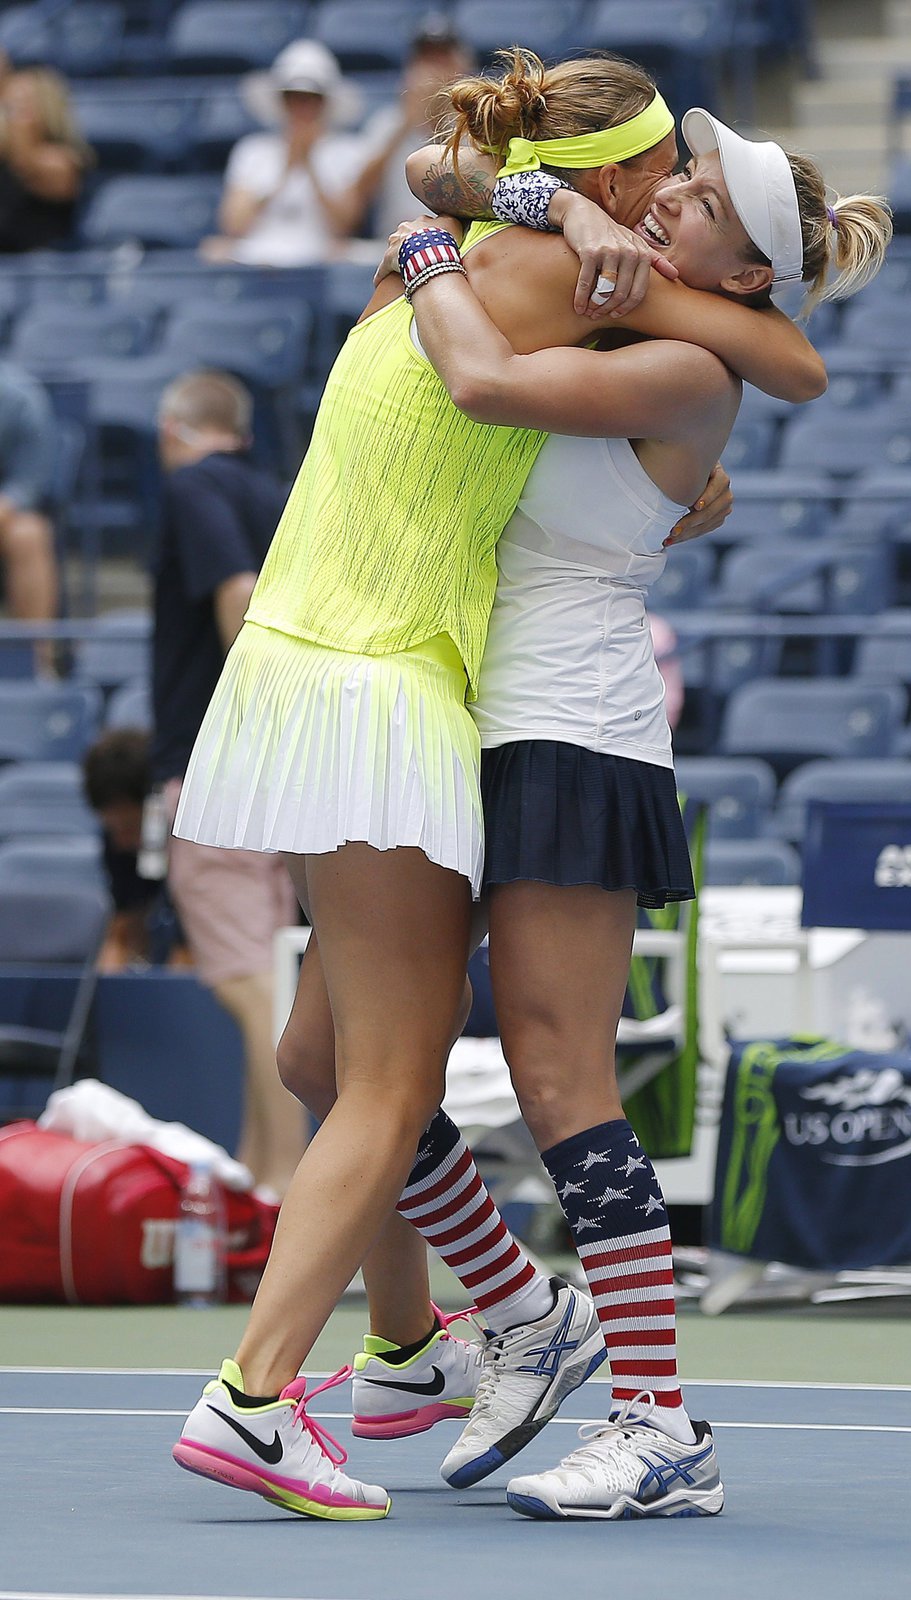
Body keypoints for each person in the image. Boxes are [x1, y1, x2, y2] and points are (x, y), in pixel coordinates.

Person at [171, 51, 828, 1524]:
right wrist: (483, 211)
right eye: (671, 179)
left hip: (567, 728)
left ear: (745, 263)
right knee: (329, 1063)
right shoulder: (581, 289)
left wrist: (436, 246)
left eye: (702, 199)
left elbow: (772, 368)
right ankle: (469, 1327)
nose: (670, 203)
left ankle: (653, 1415)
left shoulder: (668, 341)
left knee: (551, 1079)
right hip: (455, 701)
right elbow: (444, 183)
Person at [153, 370, 308, 1197]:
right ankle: (259, 1171)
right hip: (281, 773)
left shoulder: (195, 487)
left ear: (173, 427)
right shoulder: (279, 493)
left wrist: (252, 718)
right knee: (266, 973)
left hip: (222, 767)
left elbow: (240, 593)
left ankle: (281, 1182)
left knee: (248, 984)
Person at [201, 40, 367, 266]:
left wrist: (309, 164)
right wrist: (283, 171)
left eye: (311, 99)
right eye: (292, 98)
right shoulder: (252, 150)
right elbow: (233, 224)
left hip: (319, 259)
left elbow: (344, 225)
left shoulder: (347, 151)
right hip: (257, 257)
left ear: (325, 103)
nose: (301, 108)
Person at [347, 14, 474, 242]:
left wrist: (448, 110)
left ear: (460, 67)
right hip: (393, 242)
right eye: (426, 60)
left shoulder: (474, 126)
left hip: (460, 242)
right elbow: (357, 201)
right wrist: (407, 121)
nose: (433, 71)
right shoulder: (387, 123)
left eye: (442, 60)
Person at [82, 728, 188, 973]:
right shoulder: (117, 843)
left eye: (130, 827)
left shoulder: (193, 843)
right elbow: (123, 930)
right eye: (113, 829)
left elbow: (187, 954)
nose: (122, 841)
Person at [0, 360, 58, 674]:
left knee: (29, 535)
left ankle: (39, 666)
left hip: (6, 518)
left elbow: (28, 484)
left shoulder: (19, 398)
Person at [0, 67, 92, 253]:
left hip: (43, 268)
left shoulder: (63, 161)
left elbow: (24, 163)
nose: (9, 116)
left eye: (19, 107)